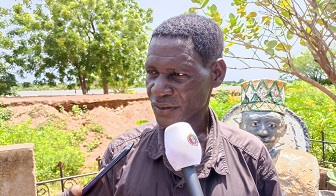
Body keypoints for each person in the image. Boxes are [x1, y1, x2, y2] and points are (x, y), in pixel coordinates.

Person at [61, 14, 282, 196]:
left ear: (216, 74)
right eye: (152, 73)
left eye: (178, 74)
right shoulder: (122, 155)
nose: (157, 88)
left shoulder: (250, 156)